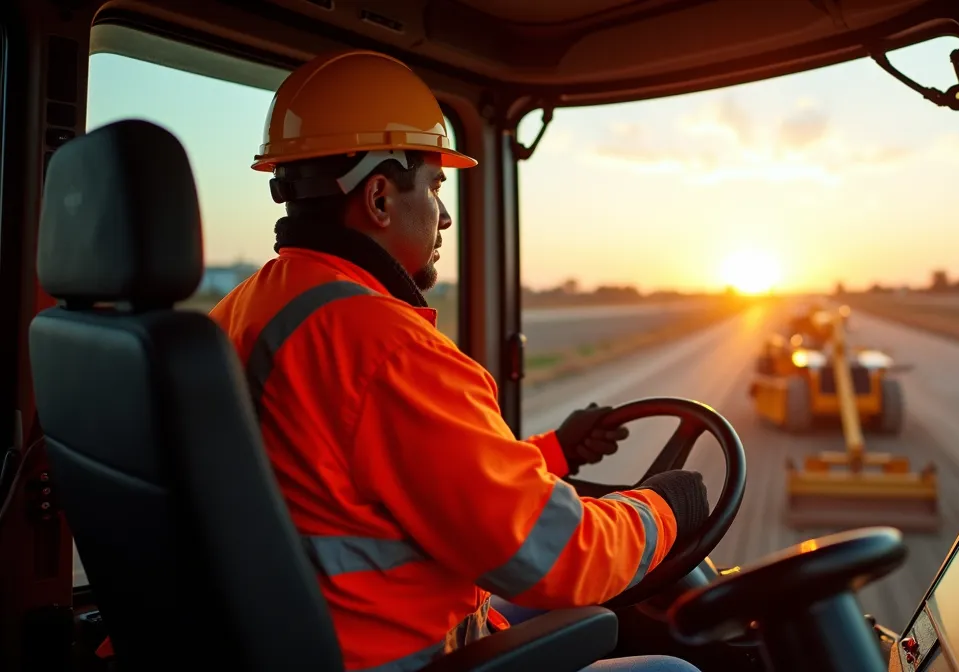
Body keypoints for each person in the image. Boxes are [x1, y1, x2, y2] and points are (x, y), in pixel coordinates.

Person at [209, 49, 708, 672]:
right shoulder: (388, 347)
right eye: (436, 186)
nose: (444, 216)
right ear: (381, 197)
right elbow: (560, 559)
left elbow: (369, 474)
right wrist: (664, 508)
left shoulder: (242, 312)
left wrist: (555, 454)